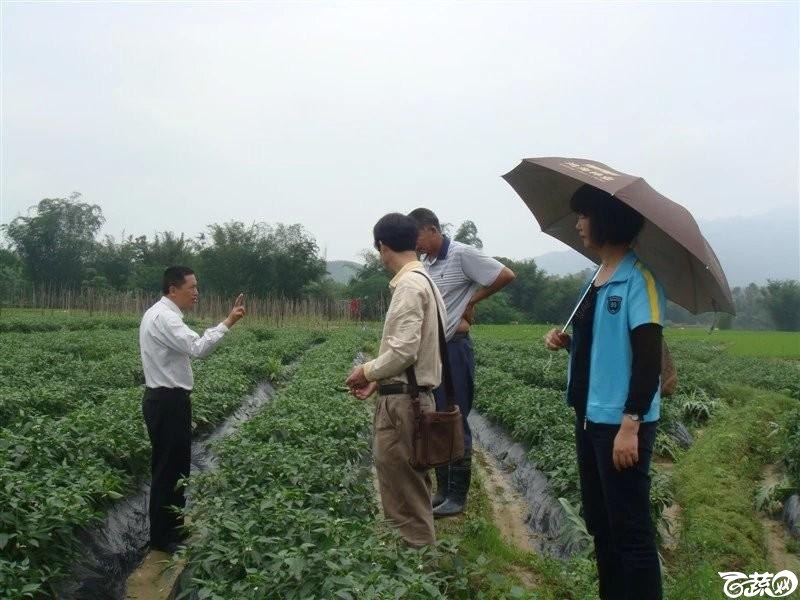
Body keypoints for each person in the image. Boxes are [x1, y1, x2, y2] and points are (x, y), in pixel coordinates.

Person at [544, 184, 665, 600]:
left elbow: (648, 359)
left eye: (584, 215)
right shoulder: (594, 280)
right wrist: (569, 343)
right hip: (589, 418)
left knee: (630, 531)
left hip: (620, 425)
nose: (578, 223)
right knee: (601, 525)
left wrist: (631, 424)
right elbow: (604, 349)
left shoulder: (638, 280)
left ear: (607, 221)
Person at [345, 213, 447, 547]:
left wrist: (367, 371)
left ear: (383, 246)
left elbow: (403, 351)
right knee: (411, 488)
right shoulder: (428, 281)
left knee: (404, 496)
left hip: (404, 406)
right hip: (413, 396)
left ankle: (416, 574)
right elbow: (416, 351)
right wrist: (381, 380)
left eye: (378, 250)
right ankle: (414, 567)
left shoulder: (409, 286)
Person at [408, 208, 516, 517]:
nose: (417, 245)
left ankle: (458, 496)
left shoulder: (462, 254)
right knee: (435, 417)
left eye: (418, 237)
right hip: (434, 350)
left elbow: (505, 275)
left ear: (432, 229)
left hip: (454, 349)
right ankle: (442, 490)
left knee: (454, 417)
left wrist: (471, 300)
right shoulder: (427, 262)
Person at [139, 266, 246, 552]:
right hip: (167, 402)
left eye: (197, 287)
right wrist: (227, 322)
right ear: (173, 290)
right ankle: (162, 539)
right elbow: (198, 347)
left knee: (175, 468)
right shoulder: (166, 318)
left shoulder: (159, 314)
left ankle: (174, 529)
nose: (196, 292)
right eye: (191, 287)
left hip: (166, 401)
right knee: (167, 471)